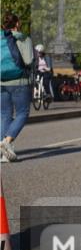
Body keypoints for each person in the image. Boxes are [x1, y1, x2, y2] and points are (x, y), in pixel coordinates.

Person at [1, 12, 34, 163]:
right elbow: (28, 60)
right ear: (17, 24)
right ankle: (6, 142)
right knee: (23, 112)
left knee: (4, 115)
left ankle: (3, 154)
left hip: (1, 82)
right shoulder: (23, 38)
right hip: (19, 82)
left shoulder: (1, 38)